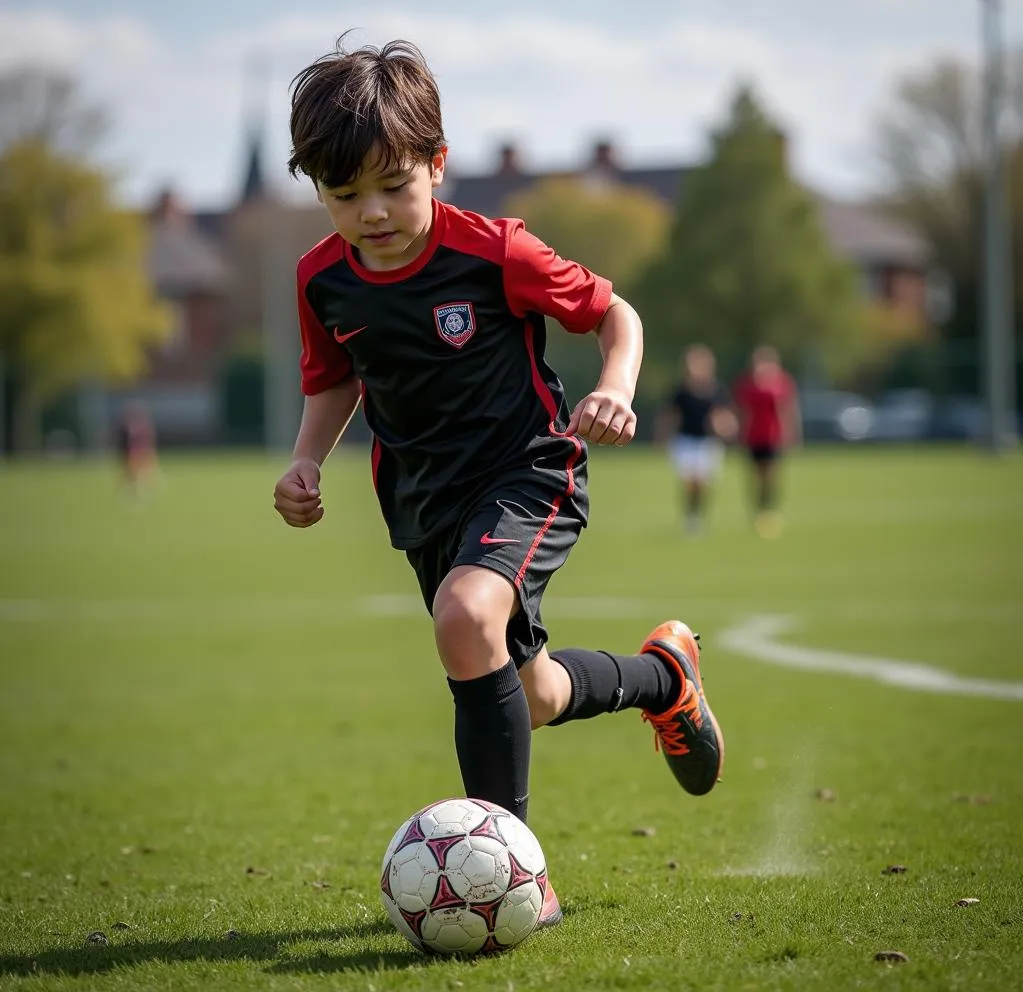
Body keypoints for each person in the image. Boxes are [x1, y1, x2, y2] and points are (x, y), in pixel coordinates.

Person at [272, 37, 724, 930]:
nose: (373, 213)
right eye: (345, 194)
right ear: (318, 192)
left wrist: (615, 389)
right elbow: (334, 378)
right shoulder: (321, 280)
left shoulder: (495, 250)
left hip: (527, 468)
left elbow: (614, 313)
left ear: (438, 164)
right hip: (424, 501)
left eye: (394, 184)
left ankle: (514, 870)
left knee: (465, 618)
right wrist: (305, 460)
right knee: (536, 690)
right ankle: (665, 681)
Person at [656, 345, 736, 533]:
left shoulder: (716, 390)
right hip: (686, 441)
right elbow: (670, 415)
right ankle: (690, 517)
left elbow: (724, 415)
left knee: (704, 483)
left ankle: (698, 516)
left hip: (708, 443)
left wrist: (725, 428)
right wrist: (662, 436)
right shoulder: (681, 391)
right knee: (690, 482)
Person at [731, 345, 801, 538]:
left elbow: (788, 410)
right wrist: (740, 434)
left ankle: (770, 510)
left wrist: (791, 433)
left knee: (771, 475)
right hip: (753, 436)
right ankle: (757, 511)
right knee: (755, 476)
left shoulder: (781, 383)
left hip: (773, 436)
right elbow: (742, 411)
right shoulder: (747, 384)